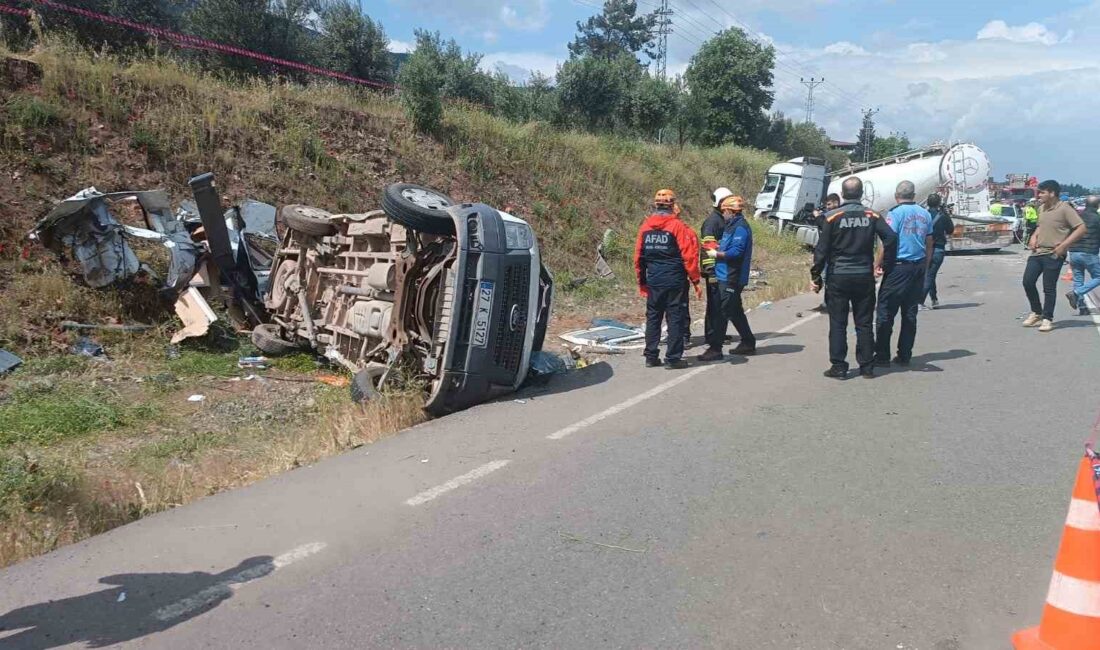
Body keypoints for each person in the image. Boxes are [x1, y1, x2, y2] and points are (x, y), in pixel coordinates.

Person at [812, 178, 896, 379]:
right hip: (863, 276)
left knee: (838, 323)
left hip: (838, 276)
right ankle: (867, 366)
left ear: (842, 193)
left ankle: (839, 367)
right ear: (861, 193)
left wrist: (816, 275)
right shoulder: (872, 215)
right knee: (864, 323)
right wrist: (885, 265)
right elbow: (891, 238)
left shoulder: (832, 217)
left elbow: (821, 250)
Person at [635, 188, 702, 368]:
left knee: (653, 318)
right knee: (675, 318)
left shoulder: (645, 227)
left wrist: (642, 283)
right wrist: (695, 280)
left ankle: (651, 356)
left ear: (655, 205)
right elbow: (689, 256)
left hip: (654, 280)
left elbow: (638, 257)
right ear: (672, 205)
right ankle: (673, 358)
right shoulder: (677, 226)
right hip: (674, 281)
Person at [874, 180, 932, 367]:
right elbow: (929, 241)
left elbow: (888, 242)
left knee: (885, 312)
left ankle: (882, 356)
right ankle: (905, 354)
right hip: (918, 266)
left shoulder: (895, 214)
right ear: (914, 196)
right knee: (909, 313)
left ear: (896, 195)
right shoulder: (925, 214)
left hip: (898, 267)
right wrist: (926, 264)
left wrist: (877, 264)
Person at [1023, 180, 1086, 331]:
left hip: (1054, 253)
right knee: (1028, 282)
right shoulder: (1041, 208)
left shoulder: (1065, 209)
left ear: (1052, 193)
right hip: (1038, 252)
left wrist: (1064, 245)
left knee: (1048, 287)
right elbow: (1040, 226)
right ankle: (1036, 312)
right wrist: (1033, 237)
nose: (1039, 195)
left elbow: (1081, 228)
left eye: (1042, 192)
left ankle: (1047, 318)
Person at [701, 195, 756, 359]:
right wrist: (718, 247)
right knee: (734, 311)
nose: (723, 214)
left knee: (721, 312)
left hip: (732, 277)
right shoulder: (730, 226)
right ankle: (748, 342)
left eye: (724, 211)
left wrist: (717, 254)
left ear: (730, 211)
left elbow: (737, 252)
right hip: (724, 274)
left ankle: (715, 349)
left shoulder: (740, 228)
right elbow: (728, 245)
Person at [699, 187, 733, 359]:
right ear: (720, 203)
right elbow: (707, 249)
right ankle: (711, 336)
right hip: (714, 271)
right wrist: (711, 272)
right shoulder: (713, 222)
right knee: (714, 305)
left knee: (720, 305)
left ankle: (718, 333)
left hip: (721, 269)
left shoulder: (723, 219)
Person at [1065, 195, 1100, 316]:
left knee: (1078, 279)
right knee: (1098, 276)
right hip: (1089, 252)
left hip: (1074, 252)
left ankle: (1082, 306)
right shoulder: (1097, 219)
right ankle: (1076, 293)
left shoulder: (1077, 217)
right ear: (1097, 206)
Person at [920, 193, 954, 309]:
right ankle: (920, 301)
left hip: (924, 249)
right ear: (939, 203)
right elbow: (950, 230)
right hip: (938, 249)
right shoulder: (942, 216)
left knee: (930, 274)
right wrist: (946, 215)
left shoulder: (923, 215)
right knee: (930, 275)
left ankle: (934, 299)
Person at [811, 194, 841, 313]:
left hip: (832, 253)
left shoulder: (835, 216)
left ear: (836, 203)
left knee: (828, 278)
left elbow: (823, 224)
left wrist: (817, 217)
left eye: (829, 204)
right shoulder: (837, 215)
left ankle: (829, 303)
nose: (827, 207)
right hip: (831, 253)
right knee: (827, 277)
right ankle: (828, 302)